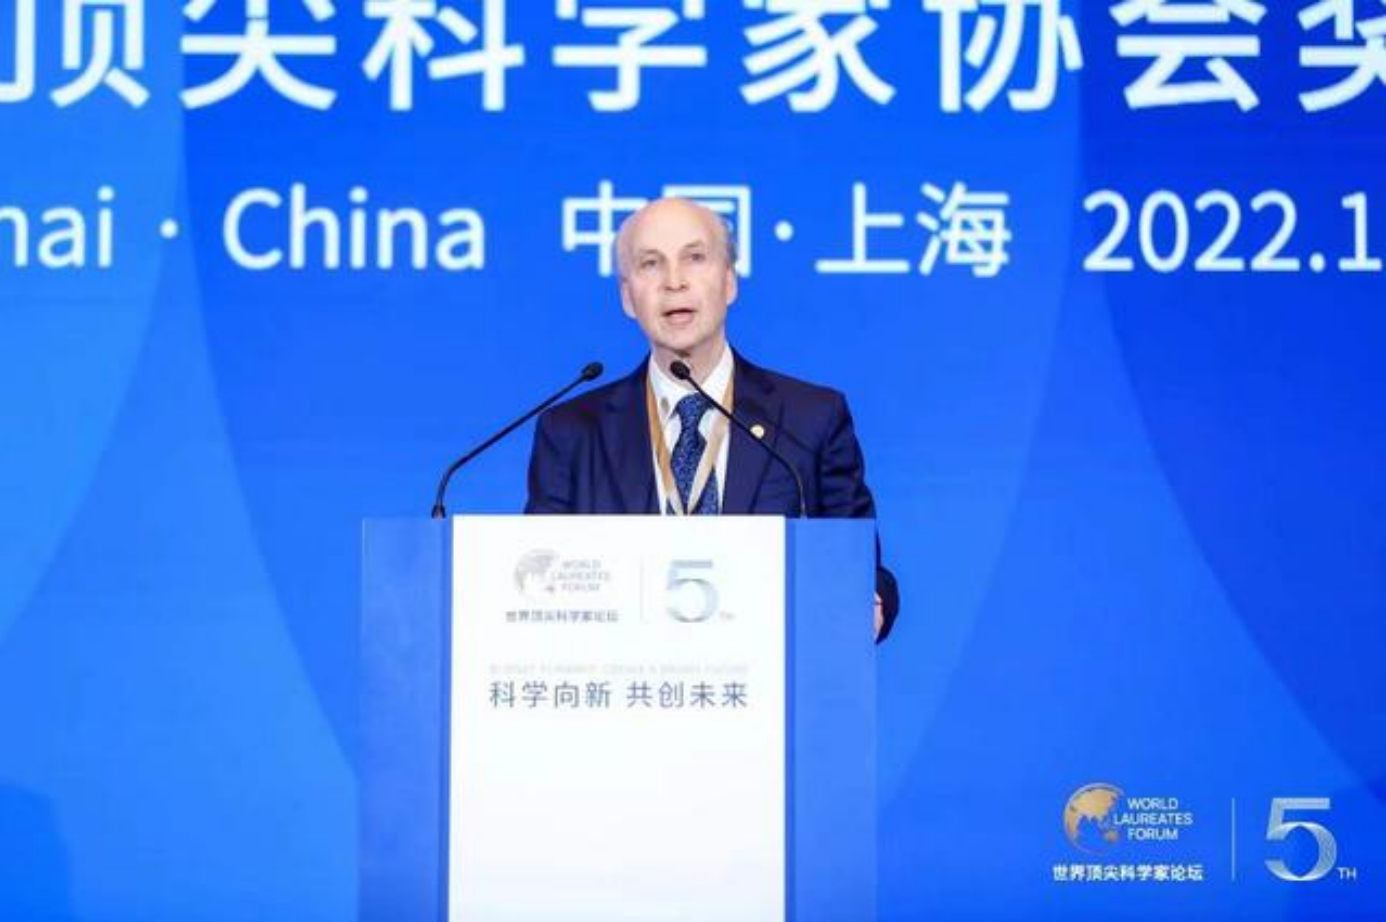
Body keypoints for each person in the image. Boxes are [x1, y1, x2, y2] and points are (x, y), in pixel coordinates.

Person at [524, 197, 899, 641]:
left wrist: (870, 598)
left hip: (767, 675)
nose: (674, 281)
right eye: (651, 264)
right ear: (627, 297)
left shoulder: (810, 420)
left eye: (695, 258)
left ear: (729, 281)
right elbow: (540, 581)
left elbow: (856, 565)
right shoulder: (572, 432)